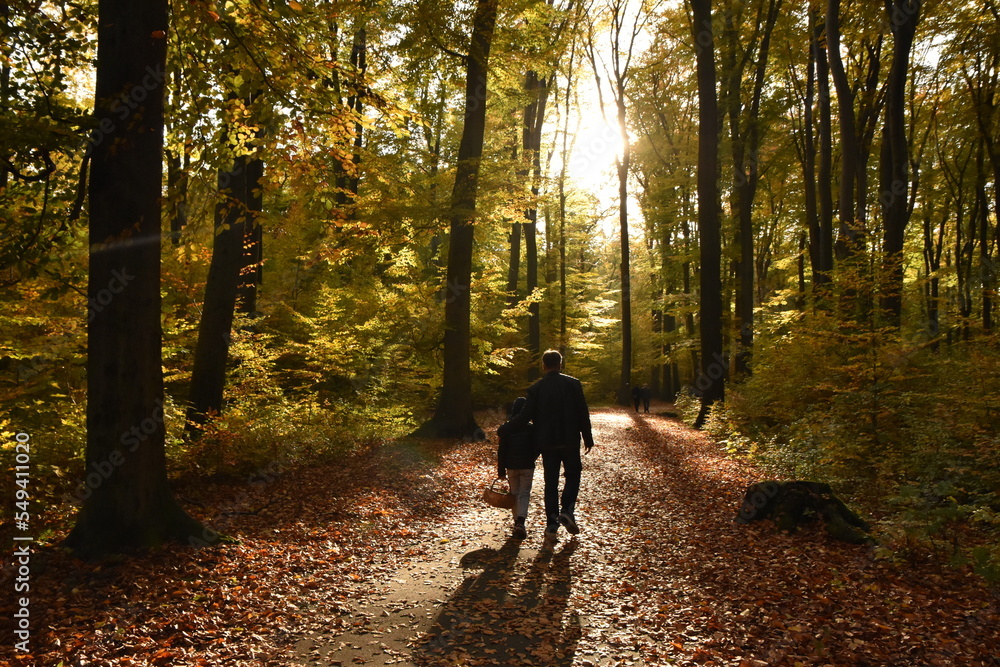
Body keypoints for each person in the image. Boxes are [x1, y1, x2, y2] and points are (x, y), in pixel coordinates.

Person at [498, 349, 595, 543]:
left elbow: (525, 416)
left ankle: (552, 523)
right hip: (569, 440)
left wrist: (505, 429)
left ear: (543, 365)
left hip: (547, 443)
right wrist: (587, 437)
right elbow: (582, 412)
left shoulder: (537, 389)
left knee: (551, 482)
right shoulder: (573, 384)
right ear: (560, 363)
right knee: (573, 475)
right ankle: (567, 509)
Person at [496, 397, 537, 540]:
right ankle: (521, 521)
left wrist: (501, 471)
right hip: (527, 465)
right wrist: (532, 458)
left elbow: (502, 451)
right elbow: (536, 447)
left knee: (514, 493)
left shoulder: (507, 428)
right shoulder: (531, 429)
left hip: (511, 466)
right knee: (524, 493)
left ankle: (516, 523)